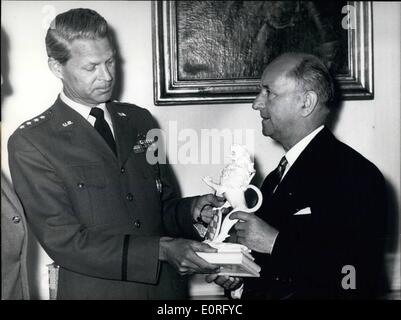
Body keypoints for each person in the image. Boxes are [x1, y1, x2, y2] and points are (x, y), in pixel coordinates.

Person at [7, 8, 224, 300]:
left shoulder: (141, 121)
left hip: (166, 293)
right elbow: (65, 242)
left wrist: (192, 211)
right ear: (57, 68)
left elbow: (163, 208)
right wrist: (160, 250)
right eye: (91, 67)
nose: (106, 75)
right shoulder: (32, 142)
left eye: (110, 61)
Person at [207, 52, 388, 299]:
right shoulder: (274, 179)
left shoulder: (357, 176)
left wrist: (275, 243)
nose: (256, 103)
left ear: (306, 102)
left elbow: (356, 277)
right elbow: (278, 275)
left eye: (268, 93)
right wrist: (239, 283)